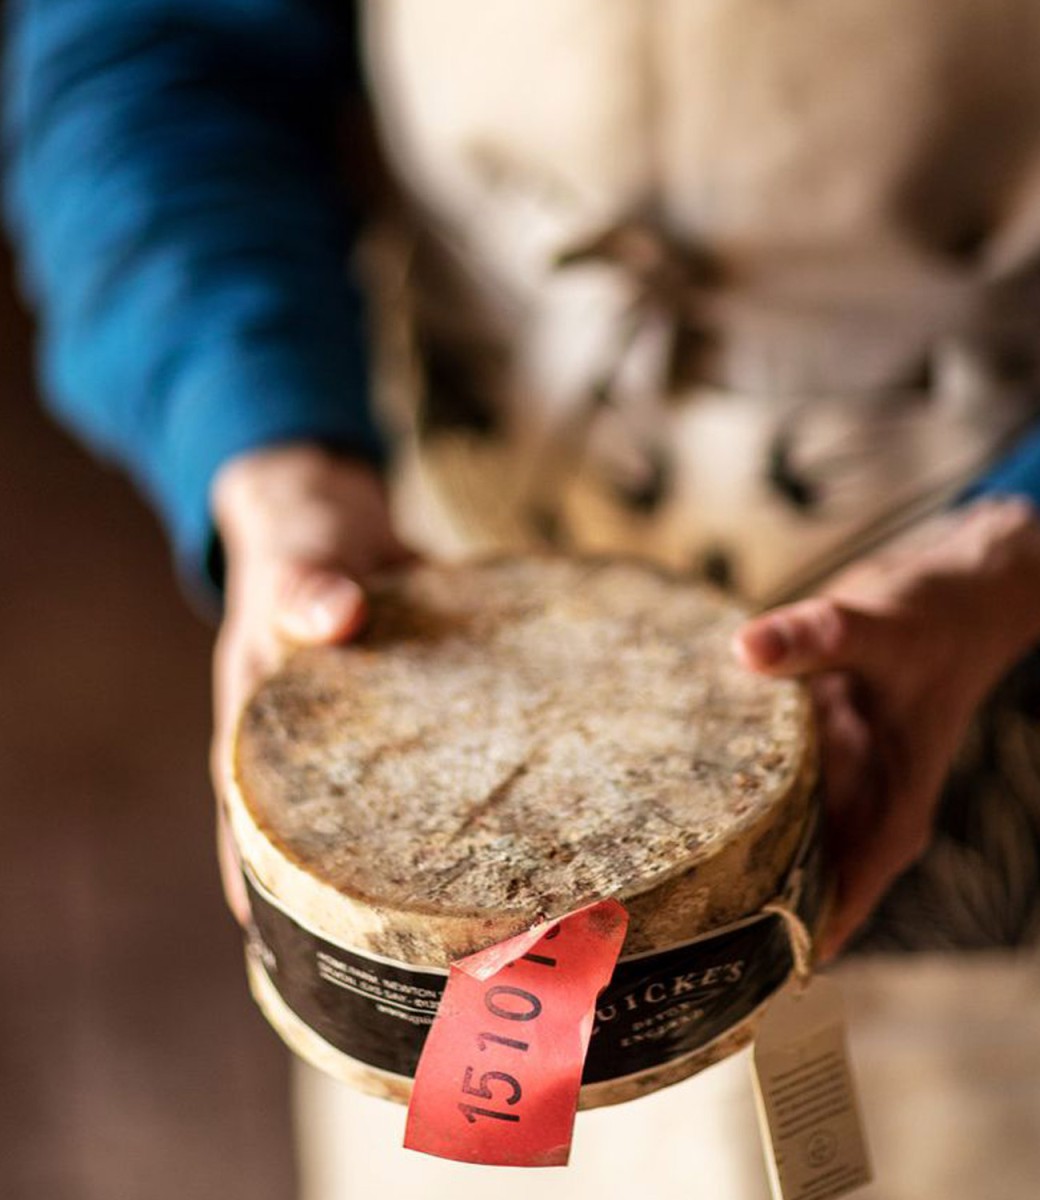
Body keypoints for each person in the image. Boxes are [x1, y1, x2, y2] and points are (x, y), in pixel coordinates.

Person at [8, 2, 1040, 1196]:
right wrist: (273, 465)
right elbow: (152, 48)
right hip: (441, 626)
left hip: (988, 651)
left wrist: (1007, 555)